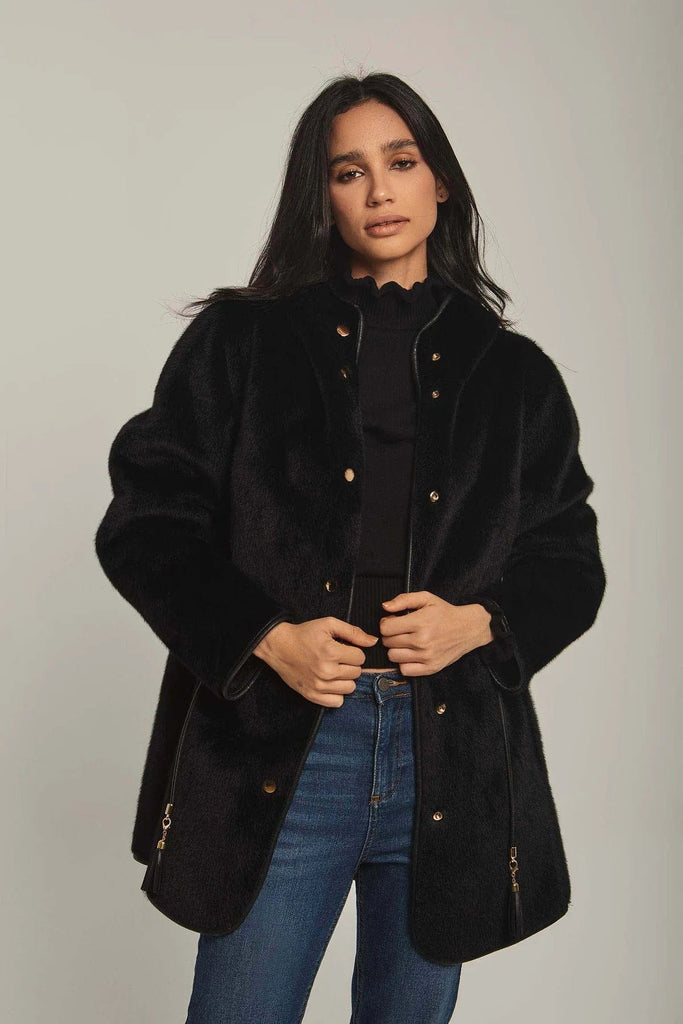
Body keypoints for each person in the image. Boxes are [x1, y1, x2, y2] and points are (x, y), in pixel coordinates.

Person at [95, 72, 606, 1024]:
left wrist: (482, 625)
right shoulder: (242, 341)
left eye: (400, 163)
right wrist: (264, 637)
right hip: (286, 744)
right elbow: (146, 523)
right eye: (347, 171)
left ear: (439, 180)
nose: (378, 191)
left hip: (448, 753)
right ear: (320, 194)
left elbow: (568, 559)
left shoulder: (514, 374)